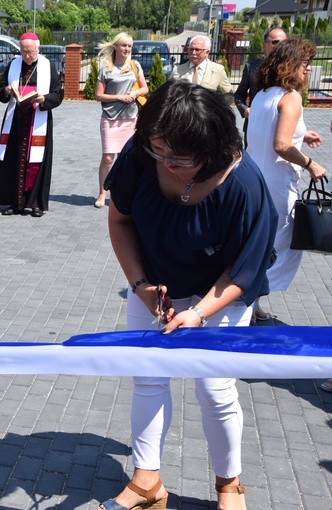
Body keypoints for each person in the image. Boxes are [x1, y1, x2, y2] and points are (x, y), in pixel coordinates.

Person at [102, 80, 277, 510]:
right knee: (147, 378)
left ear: (212, 147)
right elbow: (120, 221)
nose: (166, 163)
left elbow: (244, 269)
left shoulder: (244, 185)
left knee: (214, 388)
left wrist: (199, 311)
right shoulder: (143, 154)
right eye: (158, 152)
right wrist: (141, 285)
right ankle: (147, 481)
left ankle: (229, 485)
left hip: (222, 293)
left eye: (178, 158)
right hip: (154, 285)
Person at [246, 39, 327, 323]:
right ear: (292, 65)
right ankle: (246, 305)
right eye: (305, 65)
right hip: (277, 183)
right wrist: (310, 163)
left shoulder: (263, 94)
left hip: (253, 177)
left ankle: (250, 306)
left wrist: (302, 135)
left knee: (256, 244)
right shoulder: (290, 97)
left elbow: (269, 132)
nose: (309, 70)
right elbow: (281, 145)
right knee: (278, 246)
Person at [0, 32, 62, 217]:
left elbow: (58, 94)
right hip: (16, 121)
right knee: (13, 159)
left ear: (38, 49)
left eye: (30, 52)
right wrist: (6, 90)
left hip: (38, 120)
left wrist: (44, 98)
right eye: (23, 52)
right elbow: (0, 91)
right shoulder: (13, 64)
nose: (27, 56)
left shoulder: (47, 66)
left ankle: (35, 204)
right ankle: (15, 203)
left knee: (36, 160)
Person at [93, 32, 147, 209]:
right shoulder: (106, 68)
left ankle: (124, 194)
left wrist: (135, 93)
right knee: (108, 157)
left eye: (129, 46)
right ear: (115, 46)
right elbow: (98, 95)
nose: (127, 49)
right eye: (124, 45)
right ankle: (102, 193)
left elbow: (145, 88)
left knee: (127, 158)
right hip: (110, 118)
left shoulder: (134, 65)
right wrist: (119, 97)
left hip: (130, 119)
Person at [234, 27, 287, 148]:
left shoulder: (293, 69)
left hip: (282, 125)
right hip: (255, 125)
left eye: (283, 43)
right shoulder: (252, 67)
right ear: (265, 45)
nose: (280, 46)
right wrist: (245, 109)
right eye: (275, 42)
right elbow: (239, 94)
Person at [170, 35, 233, 105]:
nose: (193, 53)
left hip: (208, 114)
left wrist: (220, 111)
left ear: (207, 52)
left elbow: (228, 94)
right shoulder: (177, 71)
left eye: (197, 50)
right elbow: (170, 93)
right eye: (191, 49)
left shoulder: (218, 70)